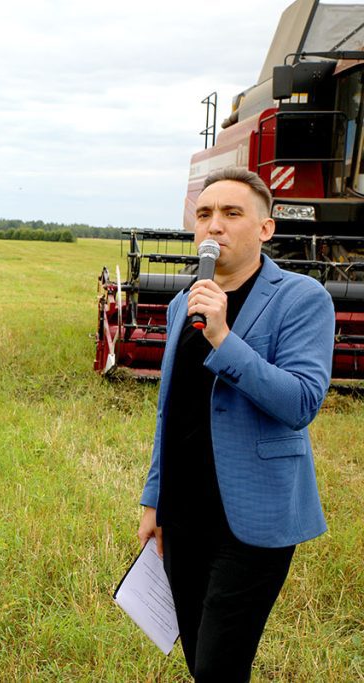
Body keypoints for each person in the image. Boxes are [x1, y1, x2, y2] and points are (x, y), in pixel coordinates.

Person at [137, 166, 334, 680]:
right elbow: (170, 408)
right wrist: (153, 499)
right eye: (204, 215)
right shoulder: (186, 301)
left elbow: (301, 402)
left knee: (220, 663)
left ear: (265, 228)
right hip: (183, 511)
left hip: (253, 517)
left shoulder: (302, 299)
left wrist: (224, 337)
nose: (214, 226)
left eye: (231, 213)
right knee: (199, 659)